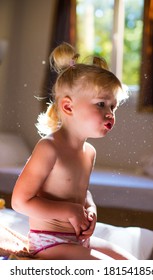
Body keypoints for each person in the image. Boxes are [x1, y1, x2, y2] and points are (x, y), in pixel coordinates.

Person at [12, 42, 133, 260]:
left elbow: (80, 192)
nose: (110, 113)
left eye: (113, 107)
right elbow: (20, 202)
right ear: (68, 107)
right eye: (101, 104)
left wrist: (91, 208)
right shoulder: (49, 148)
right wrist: (69, 211)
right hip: (49, 243)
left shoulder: (89, 152)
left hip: (78, 239)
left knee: (131, 264)